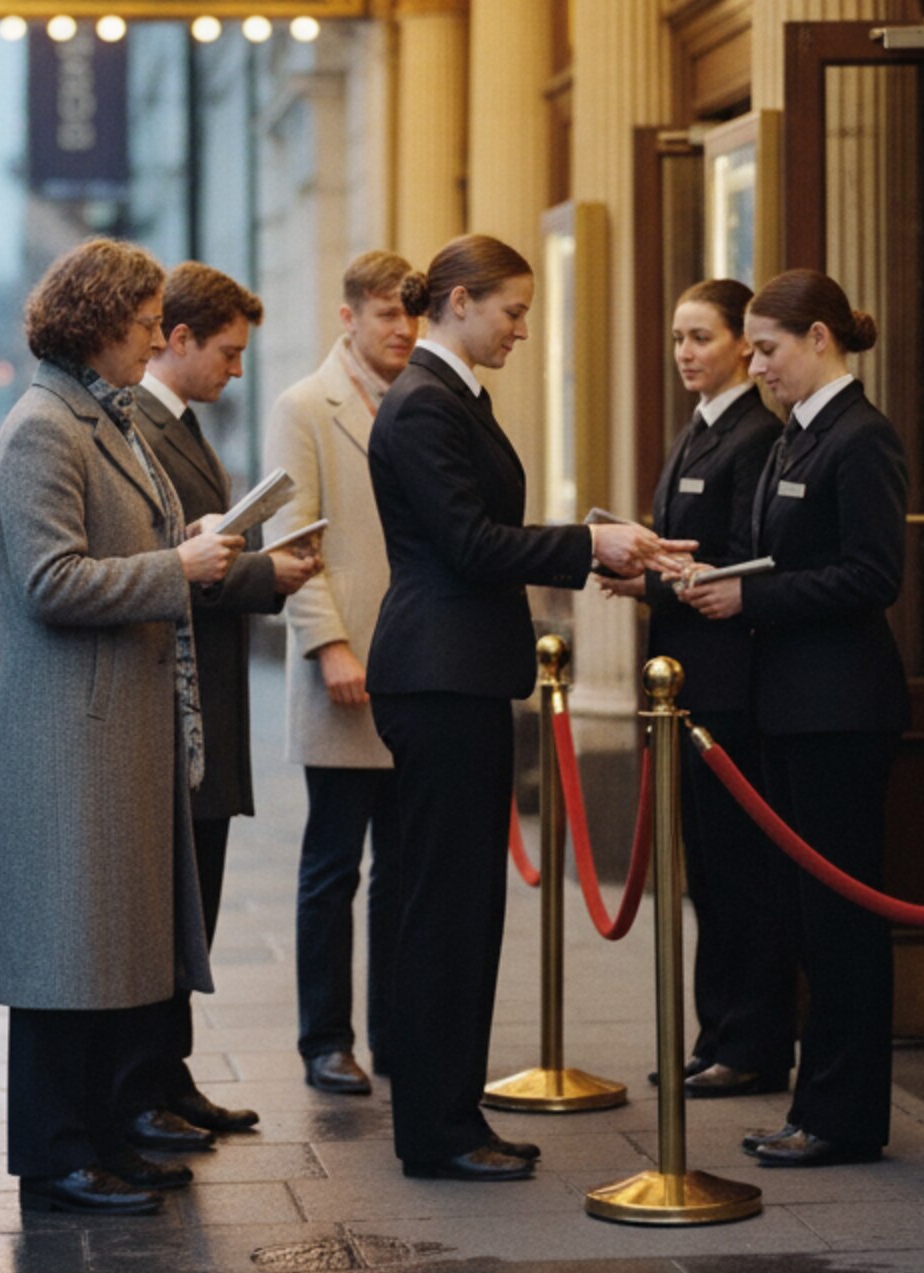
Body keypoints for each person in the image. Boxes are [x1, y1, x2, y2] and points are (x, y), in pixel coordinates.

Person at [367, 235, 691, 1181]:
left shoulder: (446, 393)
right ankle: (435, 1130)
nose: (520, 329)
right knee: (445, 910)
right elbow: (471, 543)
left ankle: (453, 1116)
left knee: (464, 908)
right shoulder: (425, 401)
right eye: (512, 311)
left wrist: (591, 543)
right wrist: (594, 545)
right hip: (438, 675)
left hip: (456, 672)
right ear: (459, 302)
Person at [0, 238, 243, 1215]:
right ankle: (55, 1154)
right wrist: (179, 570)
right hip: (72, 731)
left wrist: (178, 549)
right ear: (94, 325)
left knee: (103, 947)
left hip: (114, 724)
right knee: (65, 948)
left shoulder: (99, 416)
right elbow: (46, 582)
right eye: (138, 328)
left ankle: (95, 1134)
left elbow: (104, 548)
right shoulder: (45, 424)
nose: (149, 343)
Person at [680, 267, 908, 1168]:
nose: (757, 364)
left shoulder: (861, 438)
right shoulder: (794, 439)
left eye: (768, 349)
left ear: (820, 338)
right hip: (788, 706)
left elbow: (873, 575)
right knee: (810, 917)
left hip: (841, 711)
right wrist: (727, 583)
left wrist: (751, 602)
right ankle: (818, 1106)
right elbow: (777, 558)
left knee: (842, 918)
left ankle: (846, 1117)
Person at [121, 262, 322, 1146]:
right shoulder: (137, 427)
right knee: (170, 904)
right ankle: (145, 1083)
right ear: (178, 340)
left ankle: (171, 1072)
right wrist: (261, 572)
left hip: (209, 691)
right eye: (228, 354)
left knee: (195, 899)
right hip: (177, 698)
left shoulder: (184, 426)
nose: (236, 370)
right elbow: (164, 568)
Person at [602, 279, 788, 1097]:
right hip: (680, 684)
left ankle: (749, 1042)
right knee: (704, 872)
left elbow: (746, 557)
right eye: (678, 338)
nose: (685, 353)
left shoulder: (755, 435)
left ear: (744, 346)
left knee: (738, 870)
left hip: (724, 688)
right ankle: (716, 1032)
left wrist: (650, 584)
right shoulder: (698, 429)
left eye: (701, 338)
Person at [263, 249, 417, 1094]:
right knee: (333, 865)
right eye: (387, 313)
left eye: (411, 314)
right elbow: (291, 538)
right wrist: (329, 647)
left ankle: (395, 1033)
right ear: (349, 317)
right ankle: (325, 1040)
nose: (402, 329)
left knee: (402, 866)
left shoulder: (419, 401)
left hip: (413, 665)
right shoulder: (305, 406)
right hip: (344, 665)